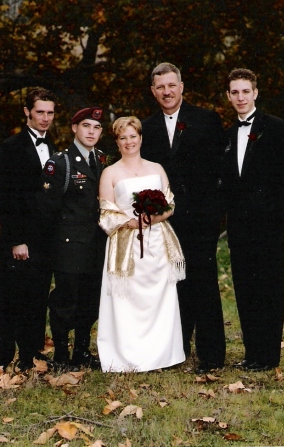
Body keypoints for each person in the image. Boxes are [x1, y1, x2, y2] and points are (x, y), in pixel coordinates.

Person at [140, 62, 227, 373]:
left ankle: (212, 356)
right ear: (153, 91)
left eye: (171, 85)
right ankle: (174, 353)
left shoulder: (206, 120)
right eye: (160, 87)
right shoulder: (145, 128)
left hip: (201, 220)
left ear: (181, 87)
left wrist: (215, 215)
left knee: (203, 284)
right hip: (164, 223)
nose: (167, 92)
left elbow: (221, 171)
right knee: (170, 287)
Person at [223, 68, 284, 371]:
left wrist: (277, 216)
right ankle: (251, 352)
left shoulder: (277, 128)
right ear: (229, 96)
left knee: (268, 288)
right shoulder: (230, 133)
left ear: (255, 93)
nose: (240, 97)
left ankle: (269, 356)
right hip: (239, 227)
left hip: (267, 226)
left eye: (245, 91)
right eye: (235, 92)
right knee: (245, 289)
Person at [97, 116, 186, 372]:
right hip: (127, 245)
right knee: (129, 299)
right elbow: (106, 213)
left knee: (160, 296)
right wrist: (132, 223)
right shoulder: (110, 173)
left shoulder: (156, 168)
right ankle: (127, 357)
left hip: (158, 242)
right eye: (123, 137)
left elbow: (170, 204)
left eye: (133, 136)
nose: (129, 142)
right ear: (117, 142)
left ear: (140, 138)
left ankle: (162, 355)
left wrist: (154, 217)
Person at [0, 87, 57, 372]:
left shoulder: (53, 147)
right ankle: (1, 361)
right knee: (9, 300)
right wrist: (16, 240)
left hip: (45, 240)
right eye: (40, 112)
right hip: (19, 240)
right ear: (27, 112)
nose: (45, 118)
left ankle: (31, 356)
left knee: (37, 298)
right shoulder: (12, 147)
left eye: (50, 113)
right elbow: (6, 197)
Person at [40, 107, 107, 370]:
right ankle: (60, 355)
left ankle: (81, 351)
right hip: (68, 245)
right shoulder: (60, 163)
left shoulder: (103, 159)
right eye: (86, 126)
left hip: (96, 244)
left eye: (97, 128)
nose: (91, 132)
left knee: (90, 300)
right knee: (65, 301)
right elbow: (47, 209)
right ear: (74, 128)